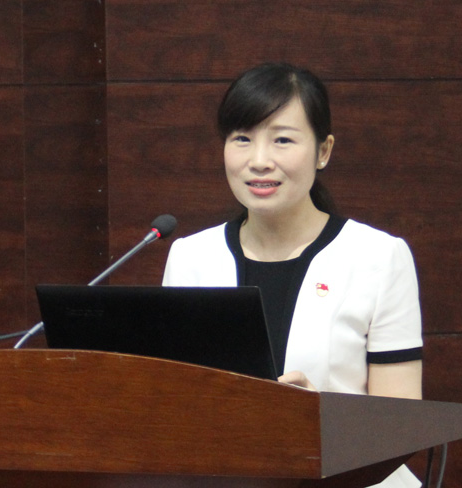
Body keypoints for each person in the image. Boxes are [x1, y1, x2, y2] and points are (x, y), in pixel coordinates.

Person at [162, 62, 423, 487]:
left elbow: (405, 423)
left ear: (323, 151)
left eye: (282, 140)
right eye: (242, 139)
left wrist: (317, 418)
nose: (259, 161)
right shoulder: (191, 257)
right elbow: (175, 404)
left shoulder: (378, 256)